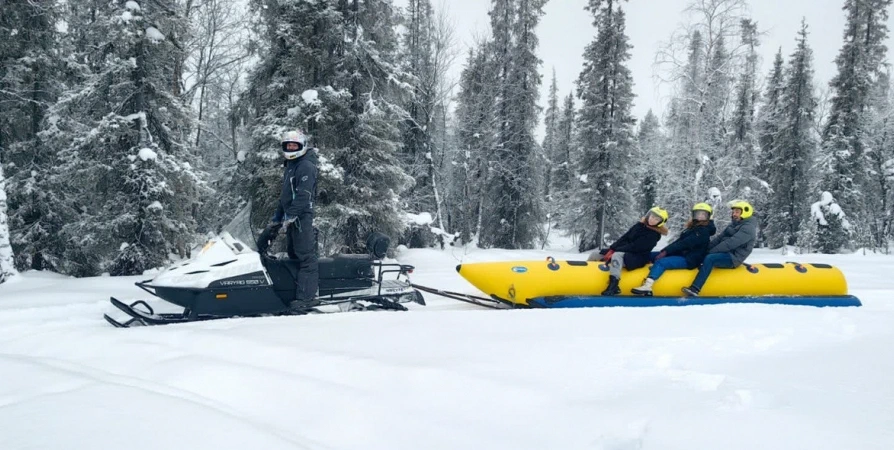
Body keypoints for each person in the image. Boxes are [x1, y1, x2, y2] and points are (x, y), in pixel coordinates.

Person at [269, 130, 319, 309]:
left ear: (302, 146)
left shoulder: (305, 165)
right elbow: (286, 195)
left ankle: (307, 297)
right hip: (292, 216)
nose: (290, 148)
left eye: (294, 146)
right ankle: (294, 292)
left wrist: (292, 215)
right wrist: (278, 216)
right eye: (288, 145)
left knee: (306, 257)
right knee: (293, 254)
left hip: (302, 216)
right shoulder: (291, 165)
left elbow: (303, 195)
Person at [631, 203, 717, 296]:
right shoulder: (694, 228)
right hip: (681, 254)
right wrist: (664, 251)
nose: (700, 217)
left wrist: (666, 252)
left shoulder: (704, 231)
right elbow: (679, 241)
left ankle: (647, 286)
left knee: (662, 262)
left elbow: (685, 243)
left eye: (703, 215)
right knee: (650, 254)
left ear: (708, 216)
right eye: (698, 214)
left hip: (690, 259)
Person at [681, 200, 757, 297]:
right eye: (733, 212)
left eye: (737, 212)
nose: (734, 214)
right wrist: (706, 249)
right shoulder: (733, 224)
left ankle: (695, 288)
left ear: (745, 212)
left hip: (733, 258)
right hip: (725, 253)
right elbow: (719, 238)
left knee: (710, 258)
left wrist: (710, 253)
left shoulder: (748, 228)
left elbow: (730, 243)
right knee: (704, 254)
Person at [588, 207, 669, 295]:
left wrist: (616, 251)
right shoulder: (639, 225)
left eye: (656, 219)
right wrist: (612, 249)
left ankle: (614, 285)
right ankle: (586, 277)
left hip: (637, 257)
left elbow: (636, 247)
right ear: (648, 215)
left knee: (617, 255)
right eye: (652, 216)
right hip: (624, 251)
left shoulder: (654, 235)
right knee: (595, 254)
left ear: (660, 222)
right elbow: (624, 238)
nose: (652, 220)